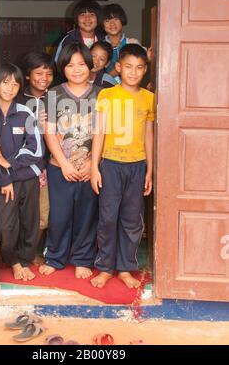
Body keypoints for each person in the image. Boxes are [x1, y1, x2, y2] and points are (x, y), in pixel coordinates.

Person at [90, 43, 154, 289]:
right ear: (118, 67)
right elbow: (99, 133)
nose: (133, 72)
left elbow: (149, 135)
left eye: (139, 68)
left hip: (137, 166)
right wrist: (95, 167)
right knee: (107, 218)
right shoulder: (107, 95)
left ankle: (126, 267)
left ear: (145, 70)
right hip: (111, 165)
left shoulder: (149, 98)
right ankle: (105, 267)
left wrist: (150, 169)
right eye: (128, 67)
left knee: (131, 219)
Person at [39, 42, 100, 279]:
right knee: (59, 215)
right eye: (70, 65)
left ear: (89, 66)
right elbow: (49, 131)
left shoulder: (100, 94)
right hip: (59, 167)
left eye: (82, 64)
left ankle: (83, 259)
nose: (76, 69)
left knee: (87, 214)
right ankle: (55, 257)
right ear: (62, 67)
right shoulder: (53, 94)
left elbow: (103, 133)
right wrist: (63, 163)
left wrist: (91, 164)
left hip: (89, 167)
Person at [0, 63, 45, 281]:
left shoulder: (25, 113)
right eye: (5, 82)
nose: (10, 88)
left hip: (27, 178)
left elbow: (36, 150)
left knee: (30, 222)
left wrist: (9, 163)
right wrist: (5, 175)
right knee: (6, 225)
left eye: (15, 84)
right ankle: (13, 260)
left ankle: (24, 260)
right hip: (4, 181)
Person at [17, 52, 55, 265]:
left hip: (48, 166)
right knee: (19, 213)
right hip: (21, 166)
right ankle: (15, 254)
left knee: (43, 214)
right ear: (28, 75)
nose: (44, 77)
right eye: (39, 73)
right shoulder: (18, 98)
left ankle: (30, 254)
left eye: (49, 73)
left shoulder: (57, 97)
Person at [102, 3, 152, 82]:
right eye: (107, 20)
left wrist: (149, 58)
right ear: (102, 24)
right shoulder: (100, 46)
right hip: (106, 90)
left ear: (122, 21)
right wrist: (114, 73)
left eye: (116, 19)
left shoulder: (132, 43)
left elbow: (143, 61)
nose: (112, 23)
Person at [54, 0, 104, 65]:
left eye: (92, 14)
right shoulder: (68, 40)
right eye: (82, 15)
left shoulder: (104, 40)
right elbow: (58, 66)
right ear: (76, 19)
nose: (87, 19)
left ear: (98, 18)